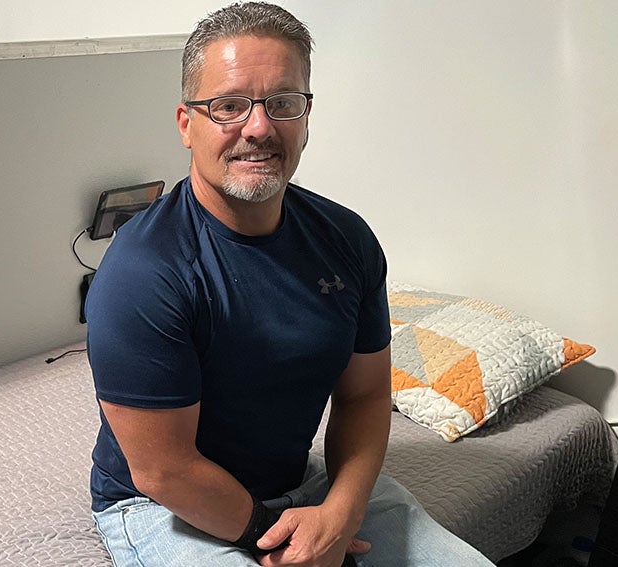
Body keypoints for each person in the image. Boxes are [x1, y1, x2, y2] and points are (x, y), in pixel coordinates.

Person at [84, 3, 494, 566]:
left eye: (282, 103)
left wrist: (340, 514)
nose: (258, 127)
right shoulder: (142, 271)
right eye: (228, 106)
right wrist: (276, 538)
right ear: (186, 123)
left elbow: (365, 395)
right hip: (161, 504)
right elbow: (162, 469)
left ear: (306, 115)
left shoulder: (346, 239)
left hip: (303, 484)